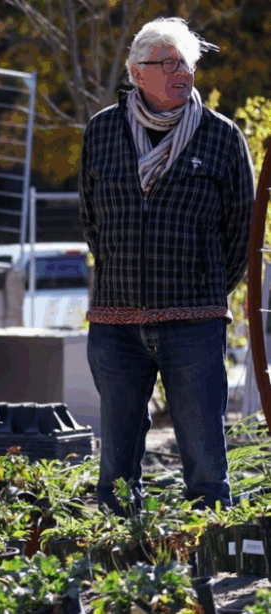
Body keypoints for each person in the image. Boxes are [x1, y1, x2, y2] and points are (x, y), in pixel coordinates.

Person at [79, 17, 254, 515]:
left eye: (187, 63)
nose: (183, 73)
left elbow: (240, 231)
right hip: (115, 324)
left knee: (204, 458)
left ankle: (211, 552)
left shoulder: (221, 137)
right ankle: (119, 553)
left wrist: (206, 290)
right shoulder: (102, 131)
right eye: (169, 63)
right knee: (116, 463)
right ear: (138, 74)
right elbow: (92, 222)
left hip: (193, 322)